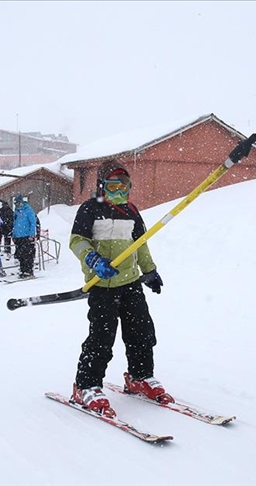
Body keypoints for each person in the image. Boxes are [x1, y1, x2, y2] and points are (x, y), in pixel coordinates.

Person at [67, 161, 168, 418]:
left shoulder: (132, 211)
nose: (119, 192)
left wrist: (150, 271)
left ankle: (139, 376)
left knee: (141, 331)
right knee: (102, 337)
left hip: (130, 282)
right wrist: (93, 260)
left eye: (124, 187)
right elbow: (77, 241)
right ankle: (86, 385)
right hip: (102, 284)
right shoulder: (90, 209)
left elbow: (140, 245)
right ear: (102, 186)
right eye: (113, 186)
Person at [11, 195, 37, 278]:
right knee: (20, 255)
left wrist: (31, 234)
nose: (16, 205)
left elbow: (33, 223)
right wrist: (14, 235)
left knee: (27, 254)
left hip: (26, 236)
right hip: (18, 237)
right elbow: (15, 224)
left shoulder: (28, 211)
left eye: (18, 203)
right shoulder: (16, 212)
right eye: (15, 203)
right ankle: (23, 270)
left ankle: (29, 271)